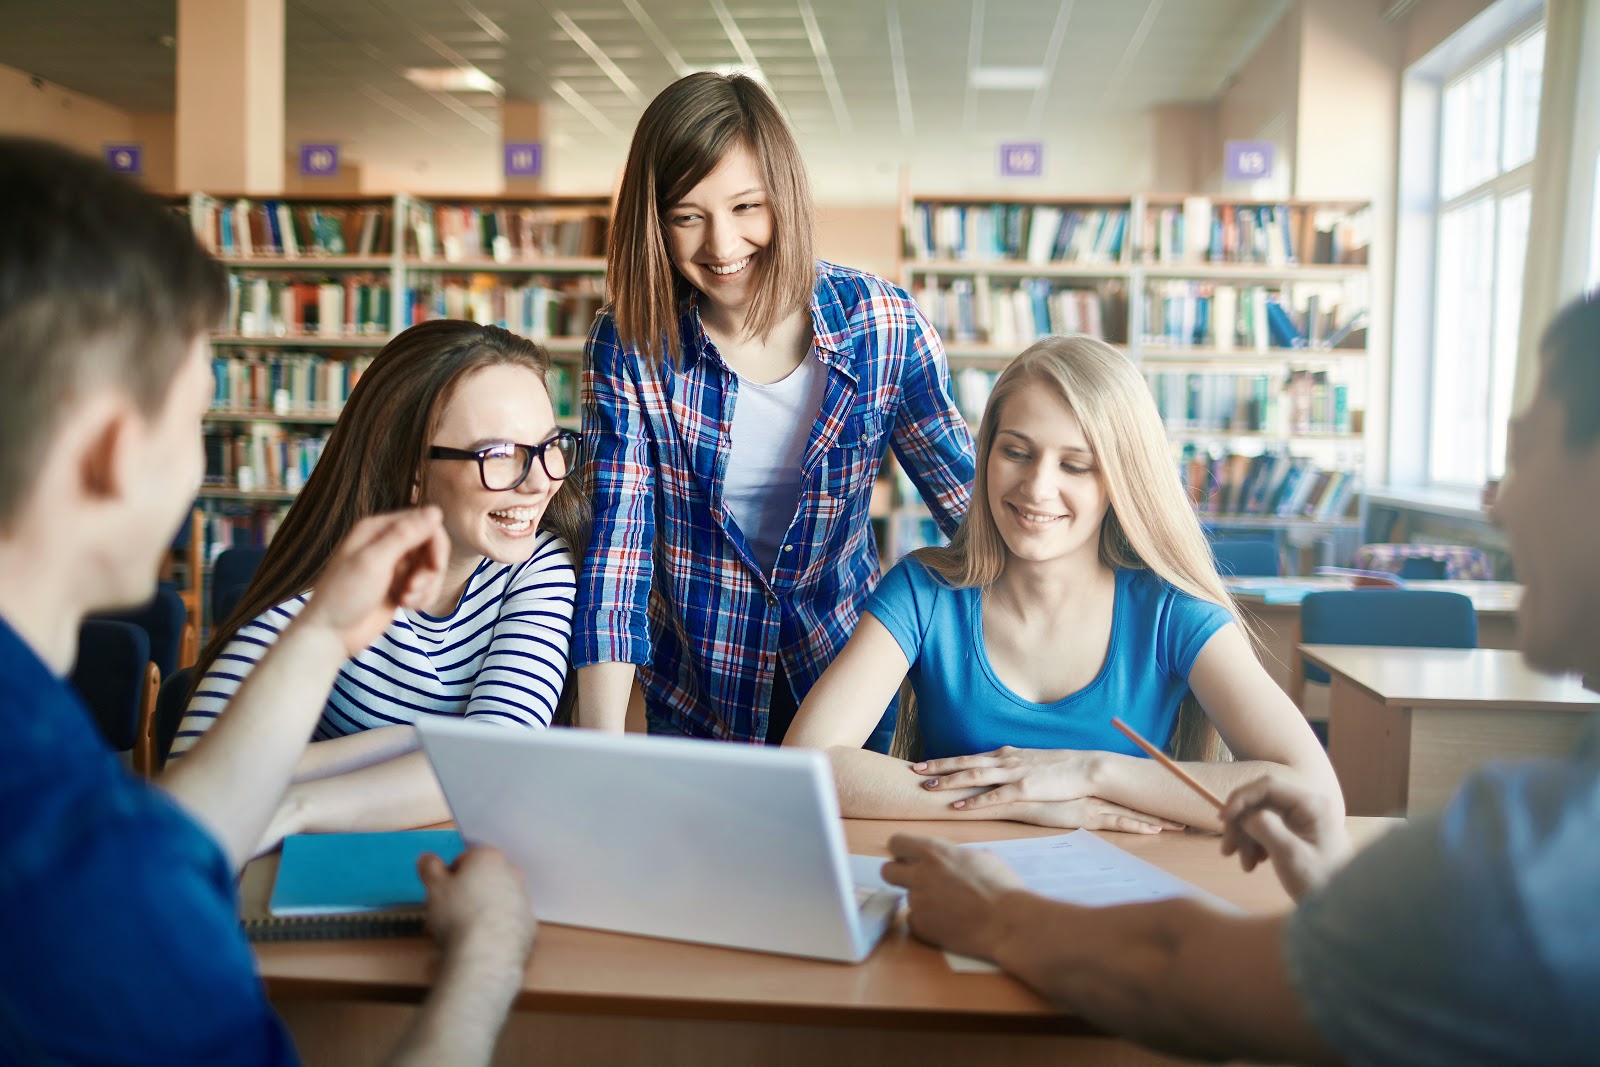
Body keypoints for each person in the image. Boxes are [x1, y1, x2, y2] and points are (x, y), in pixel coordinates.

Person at [881, 292, 1600, 1064]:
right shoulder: (928, 589)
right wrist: (1336, 900)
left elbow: (1180, 972)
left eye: (1525, 456)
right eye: (1015, 450)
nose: (1499, 503)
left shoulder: (1533, 862)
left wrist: (1005, 900)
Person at [0, 137, 535, 1064]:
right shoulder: (91, 896)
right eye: (198, 419)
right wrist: (488, 955)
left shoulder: (39, 741)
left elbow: (163, 838)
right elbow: (122, 877)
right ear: (114, 450)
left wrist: (324, 633)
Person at [785, 335, 1338, 833]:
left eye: (1075, 466)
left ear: (1122, 479)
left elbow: (1311, 796)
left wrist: (1087, 772)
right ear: (987, 453)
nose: (1037, 488)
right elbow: (808, 764)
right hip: (961, 892)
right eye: (1017, 452)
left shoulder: (1171, 611)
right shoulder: (924, 591)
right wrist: (1019, 798)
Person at [575, 71, 975, 750]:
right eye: (686, 216)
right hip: (696, 695)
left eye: (746, 207)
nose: (722, 246)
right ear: (655, 222)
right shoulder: (631, 343)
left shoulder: (882, 324)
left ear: (784, 197)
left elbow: (971, 508)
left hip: (843, 683)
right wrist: (598, 752)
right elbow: (618, 552)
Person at [171, 320, 587, 850]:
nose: (541, 480)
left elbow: (491, 764)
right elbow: (192, 781)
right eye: (499, 454)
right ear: (411, 467)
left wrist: (290, 803)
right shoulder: (337, 581)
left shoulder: (538, 563)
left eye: (549, 445)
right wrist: (428, 743)